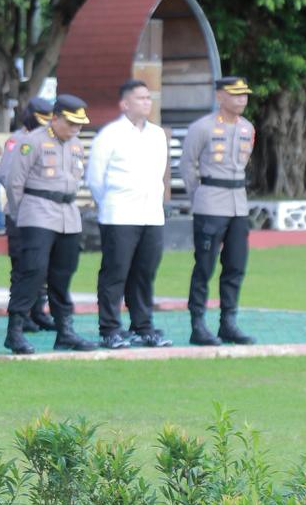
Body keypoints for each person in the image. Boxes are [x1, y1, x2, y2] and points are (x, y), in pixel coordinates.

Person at [0, 96, 98, 354]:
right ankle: (15, 331)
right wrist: (22, 215)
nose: (76, 128)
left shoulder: (76, 144)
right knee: (33, 271)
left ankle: (65, 331)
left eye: (79, 124)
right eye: (71, 123)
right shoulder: (32, 141)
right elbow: (14, 182)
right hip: (38, 211)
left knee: (63, 274)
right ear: (54, 118)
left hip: (68, 214)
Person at [86, 79, 171, 349]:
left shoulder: (157, 134)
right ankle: (110, 328)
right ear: (125, 104)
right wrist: (110, 203)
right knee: (115, 273)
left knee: (145, 272)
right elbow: (95, 178)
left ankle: (142, 326)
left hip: (151, 214)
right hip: (119, 214)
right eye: (140, 98)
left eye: (148, 97)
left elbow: (160, 172)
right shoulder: (110, 134)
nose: (146, 102)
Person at [181, 77, 257, 346]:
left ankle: (228, 323)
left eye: (244, 95)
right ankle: (198, 324)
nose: (242, 99)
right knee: (204, 266)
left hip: (238, 205)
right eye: (235, 95)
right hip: (211, 203)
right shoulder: (202, 127)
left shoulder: (247, 128)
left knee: (236, 265)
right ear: (220, 97)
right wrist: (199, 196)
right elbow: (187, 165)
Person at [0, 97, 56, 332]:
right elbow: (5, 174)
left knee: (42, 265)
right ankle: (21, 314)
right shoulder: (18, 140)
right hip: (19, 212)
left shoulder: (50, 140)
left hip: (44, 214)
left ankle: (38, 311)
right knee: (22, 266)